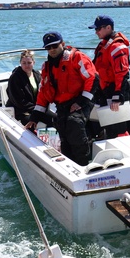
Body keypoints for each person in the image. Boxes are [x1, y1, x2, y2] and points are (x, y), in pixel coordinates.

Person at [25, 32, 98, 165]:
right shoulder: (47, 67)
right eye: (48, 47)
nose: (52, 50)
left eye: (55, 46)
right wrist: (34, 117)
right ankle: (69, 165)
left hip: (81, 101)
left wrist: (81, 102)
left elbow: (92, 78)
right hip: (62, 105)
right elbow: (43, 93)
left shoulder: (77, 57)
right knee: (63, 132)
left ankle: (84, 164)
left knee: (74, 124)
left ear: (62, 44)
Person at [89, 15, 130, 139]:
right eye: (95, 29)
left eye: (98, 29)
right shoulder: (104, 45)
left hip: (115, 91)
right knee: (109, 126)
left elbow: (122, 73)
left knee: (118, 128)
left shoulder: (116, 47)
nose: (96, 32)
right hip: (105, 90)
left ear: (108, 28)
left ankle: (123, 149)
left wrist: (117, 96)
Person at [6, 49, 40, 123]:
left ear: (33, 62)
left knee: (55, 118)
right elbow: (18, 101)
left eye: (29, 63)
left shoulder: (37, 75)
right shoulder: (15, 78)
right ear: (20, 63)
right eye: (24, 63)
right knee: (37, 121)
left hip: (36, 109)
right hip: (20, 111)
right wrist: (36, 109)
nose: (26, 65)